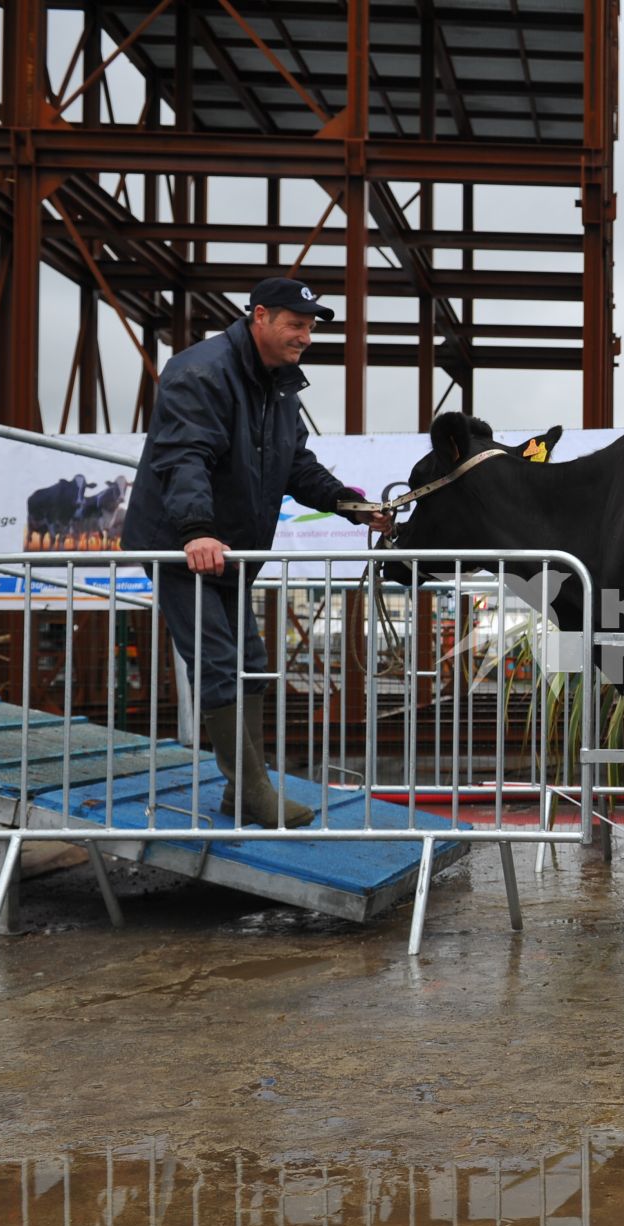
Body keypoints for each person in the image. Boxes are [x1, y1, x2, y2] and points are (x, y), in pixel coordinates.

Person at [124, 277, 390, 827]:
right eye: (296, 324)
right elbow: (183, 457)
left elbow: (296, 466)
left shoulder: (278, 386)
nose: (306, 336)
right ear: (260, 316)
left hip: (232, 552)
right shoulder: (201, 371)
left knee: (250, 663)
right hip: (183, 546)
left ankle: (239, 791)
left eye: (311, 326)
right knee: (219, 662)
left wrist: (348, 504)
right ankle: (250, 790)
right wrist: (195, 530)